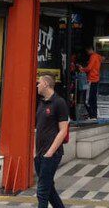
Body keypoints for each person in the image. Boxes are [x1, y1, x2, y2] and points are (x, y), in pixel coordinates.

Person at [36, 74, 70, 208]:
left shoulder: (59, 102)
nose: (37, 86)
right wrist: (35, 153)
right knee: (49, 190)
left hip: (51, 154)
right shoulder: (41, 103)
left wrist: (49, 153)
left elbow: (63, 130)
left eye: (39, 83)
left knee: (42, 191)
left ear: (46, 84)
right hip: (39, 154)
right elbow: (38, 128)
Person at [80, 45, 102, 120]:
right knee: (93, 98)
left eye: (87, 51)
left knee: (87, 100)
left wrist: (82, 69)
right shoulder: (98, 57)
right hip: (96, 79)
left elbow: (89, 68)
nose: (87, 53)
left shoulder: (93, 56)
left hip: (91, 80)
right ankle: (94, 115)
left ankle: (91, 115)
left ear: (89, 49)